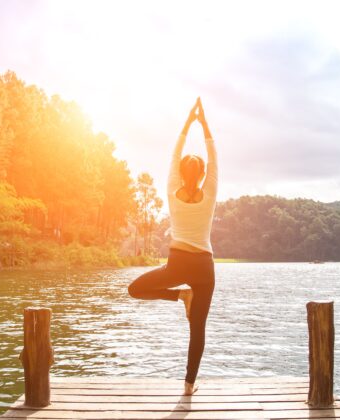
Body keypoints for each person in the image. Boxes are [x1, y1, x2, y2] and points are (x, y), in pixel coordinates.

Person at [127, 97, 217, 396]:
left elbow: (174, 155)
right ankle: (189, 385)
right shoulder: (210, 192)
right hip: (204, 267)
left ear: (180, 172)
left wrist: (187, 123)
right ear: (203, 175)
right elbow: (214, 157)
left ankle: (179, 295)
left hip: (178, 263)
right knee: (198, 330)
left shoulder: (171, 190)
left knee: (135, 289)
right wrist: (203, 125)